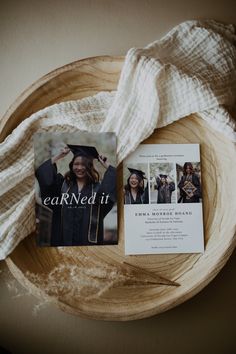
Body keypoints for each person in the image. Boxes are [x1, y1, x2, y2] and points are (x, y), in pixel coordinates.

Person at [35, 144, 116, 246]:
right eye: (76, 164)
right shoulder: (63, 185)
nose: (79, 168)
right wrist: (59, 156)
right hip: (63, 240)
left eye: (83, 165)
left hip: (87, 244)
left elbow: (111, 188)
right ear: (71, 165)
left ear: (89, 167)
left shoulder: (97, 188)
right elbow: (44, 175)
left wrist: (106, 164)